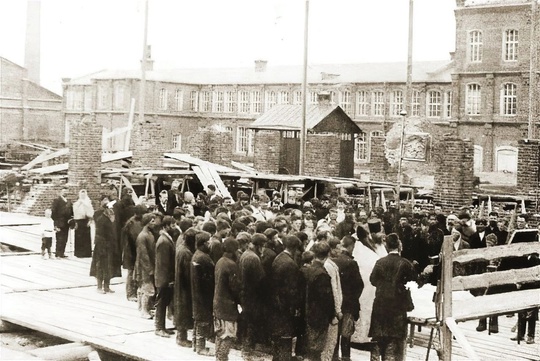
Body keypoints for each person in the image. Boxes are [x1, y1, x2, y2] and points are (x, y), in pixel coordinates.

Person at [369, 233, 416, 361]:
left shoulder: (380, 262)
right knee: (394, 340)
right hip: (397, 306)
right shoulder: (405, 263)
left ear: (386, 245)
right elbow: (413, 280)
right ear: (399, 245)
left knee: (378, 338)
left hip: (380, 304)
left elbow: (372, 280)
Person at [270, 235, 303, 361]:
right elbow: (292, 290)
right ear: (295, 248)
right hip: (285, 306)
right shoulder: (291, 264)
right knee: (285, 336)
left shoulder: (278, 258)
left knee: (278, 335)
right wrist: (295, 307)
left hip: (276, 304)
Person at [332, 236, 364, 361]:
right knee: (346, 334)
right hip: (348, 304)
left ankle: (334, 357)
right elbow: (359, 285)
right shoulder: (351, 263)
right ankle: (345, 358)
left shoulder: (333, 260)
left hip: (336, 303)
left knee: (334, 333)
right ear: (351, 246)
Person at [304, 241, 334, 361]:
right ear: (327, 254)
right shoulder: (322, 274)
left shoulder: (309, 270)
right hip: (319, 315)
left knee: (311, 343)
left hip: (309, 311)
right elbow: (326, 299)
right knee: (317, 346)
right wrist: (332, 314)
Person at [238, 233, 266, 360]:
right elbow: (260, 280)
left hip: (245, 294)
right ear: (259, 245)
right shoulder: (253, 258)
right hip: (252, 296)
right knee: (251, 323)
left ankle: (247, 349)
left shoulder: (246, 254)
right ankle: (247, 352)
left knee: (247, 321)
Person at [213, 238, 241, 360]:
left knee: (220, 334)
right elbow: (235, 287)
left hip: (218, 303)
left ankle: (218, 358)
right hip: (227, 306)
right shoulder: (231, 264)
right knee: (228, 336)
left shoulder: (220, 261)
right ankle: (222, 358)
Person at [191, 231, 215, 356]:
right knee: (203, 320)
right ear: (204, 243)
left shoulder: (197, 255)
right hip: (203, 295)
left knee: (198, 320)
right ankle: (201, 347)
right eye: (209, 242)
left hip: (198, 294)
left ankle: (196, 344)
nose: (211, 244)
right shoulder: (203, 258)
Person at [174, 227, 197, 348]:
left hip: (180, 285)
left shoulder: (181, 249)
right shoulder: (186, 253)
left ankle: (181, 336)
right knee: (184, 311)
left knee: (182, 310)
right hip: (185, 287)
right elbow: (188, 273)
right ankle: (181, 338)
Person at [154, 216, 176, 338]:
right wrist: (167, 280)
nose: (174, 227)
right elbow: (163, 263)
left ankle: (162, 326)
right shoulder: (163, 241)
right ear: (166, 226)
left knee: (164, 301)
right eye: (172, 225)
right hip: (163, 278)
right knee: (161, 303)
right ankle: (159, 327)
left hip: (165, 277)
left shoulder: (165, 238)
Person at [89, 196, 117, 294]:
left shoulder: (110, 218)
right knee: (100, 266)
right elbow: (99, 233)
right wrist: (103, 245)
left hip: (109, 245)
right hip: (102, 245)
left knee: (108, 266)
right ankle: (99, 287)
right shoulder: (102, 219)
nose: (111, 211)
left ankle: (107, 286)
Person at [121, 205, 147, 302]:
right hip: (131, 252)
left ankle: (133, 292)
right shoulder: (133, 223)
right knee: (131, 272)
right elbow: (135, 238)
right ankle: (130, 293)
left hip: (133, 251)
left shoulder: (134, 222)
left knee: (133, 272)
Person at [134, 213, 157, 319]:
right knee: (147, 288)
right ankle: (143, 310)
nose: (154, 223)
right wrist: (149, 269)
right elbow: (143, 255)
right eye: (152, 221)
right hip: (144, 267)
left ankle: (144, 308)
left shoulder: (148, 234)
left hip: (148, 265)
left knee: (145, 288)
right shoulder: (143, 236)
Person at [51, 185, 73, 258]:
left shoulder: (69, 201)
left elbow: (71, 212)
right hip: (59, 223)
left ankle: (62, 253)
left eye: (66, 191)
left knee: (65, 238)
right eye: (64, 191)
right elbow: (53, 213)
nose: (65, 193)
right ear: (61, 192)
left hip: (66, 223)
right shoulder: (57, 201)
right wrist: (56, 223)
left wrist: (71, 220)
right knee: (59, 238)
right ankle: (58, 253)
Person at [72, 189, 94, 258]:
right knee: (79, 237)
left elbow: (91, 212)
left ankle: (86, 253)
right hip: (78, 220)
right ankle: (79, 253)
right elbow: (74, 211)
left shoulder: (88, 203)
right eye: (81, 194)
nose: (83, 196)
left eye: (84, 194)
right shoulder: (77, 203)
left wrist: (90, 220)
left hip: (86, 220)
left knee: (86, 237)